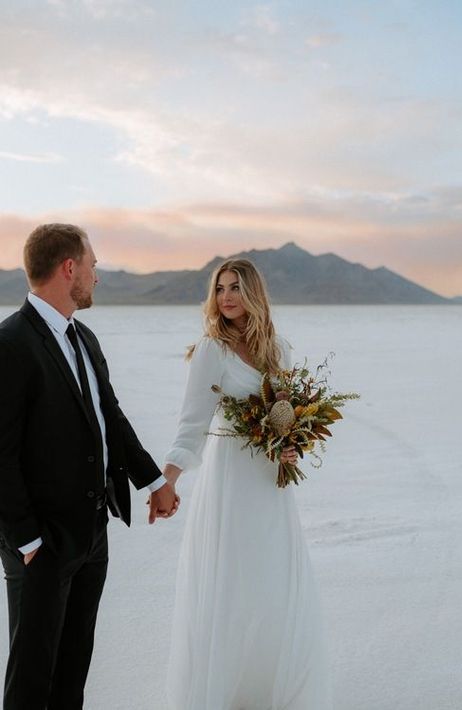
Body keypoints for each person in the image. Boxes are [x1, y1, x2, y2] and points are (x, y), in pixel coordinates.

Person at [0, 223, 179, 710]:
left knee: (72, 675)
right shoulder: (10, 342)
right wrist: (27, 541)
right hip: (43, 546)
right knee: (31, 681)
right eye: (93, 265)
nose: (97, 276)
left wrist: (154, 481)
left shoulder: (85, 339)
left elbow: (110, 420)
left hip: (92, 534)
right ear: (69, 268)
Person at [162, 259, 331, 710]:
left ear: (253, 292)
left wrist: (291, 445)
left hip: (270, 486)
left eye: (235, 287)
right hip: (231, 483)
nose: (227, 297)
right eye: (219, 289)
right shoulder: (210, 350)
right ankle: (229, 690)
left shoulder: (279, 348)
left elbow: (288, 416)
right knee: (233, 579)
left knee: (272, 580)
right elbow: (191, 423)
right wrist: (169, 479)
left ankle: (268, 687)